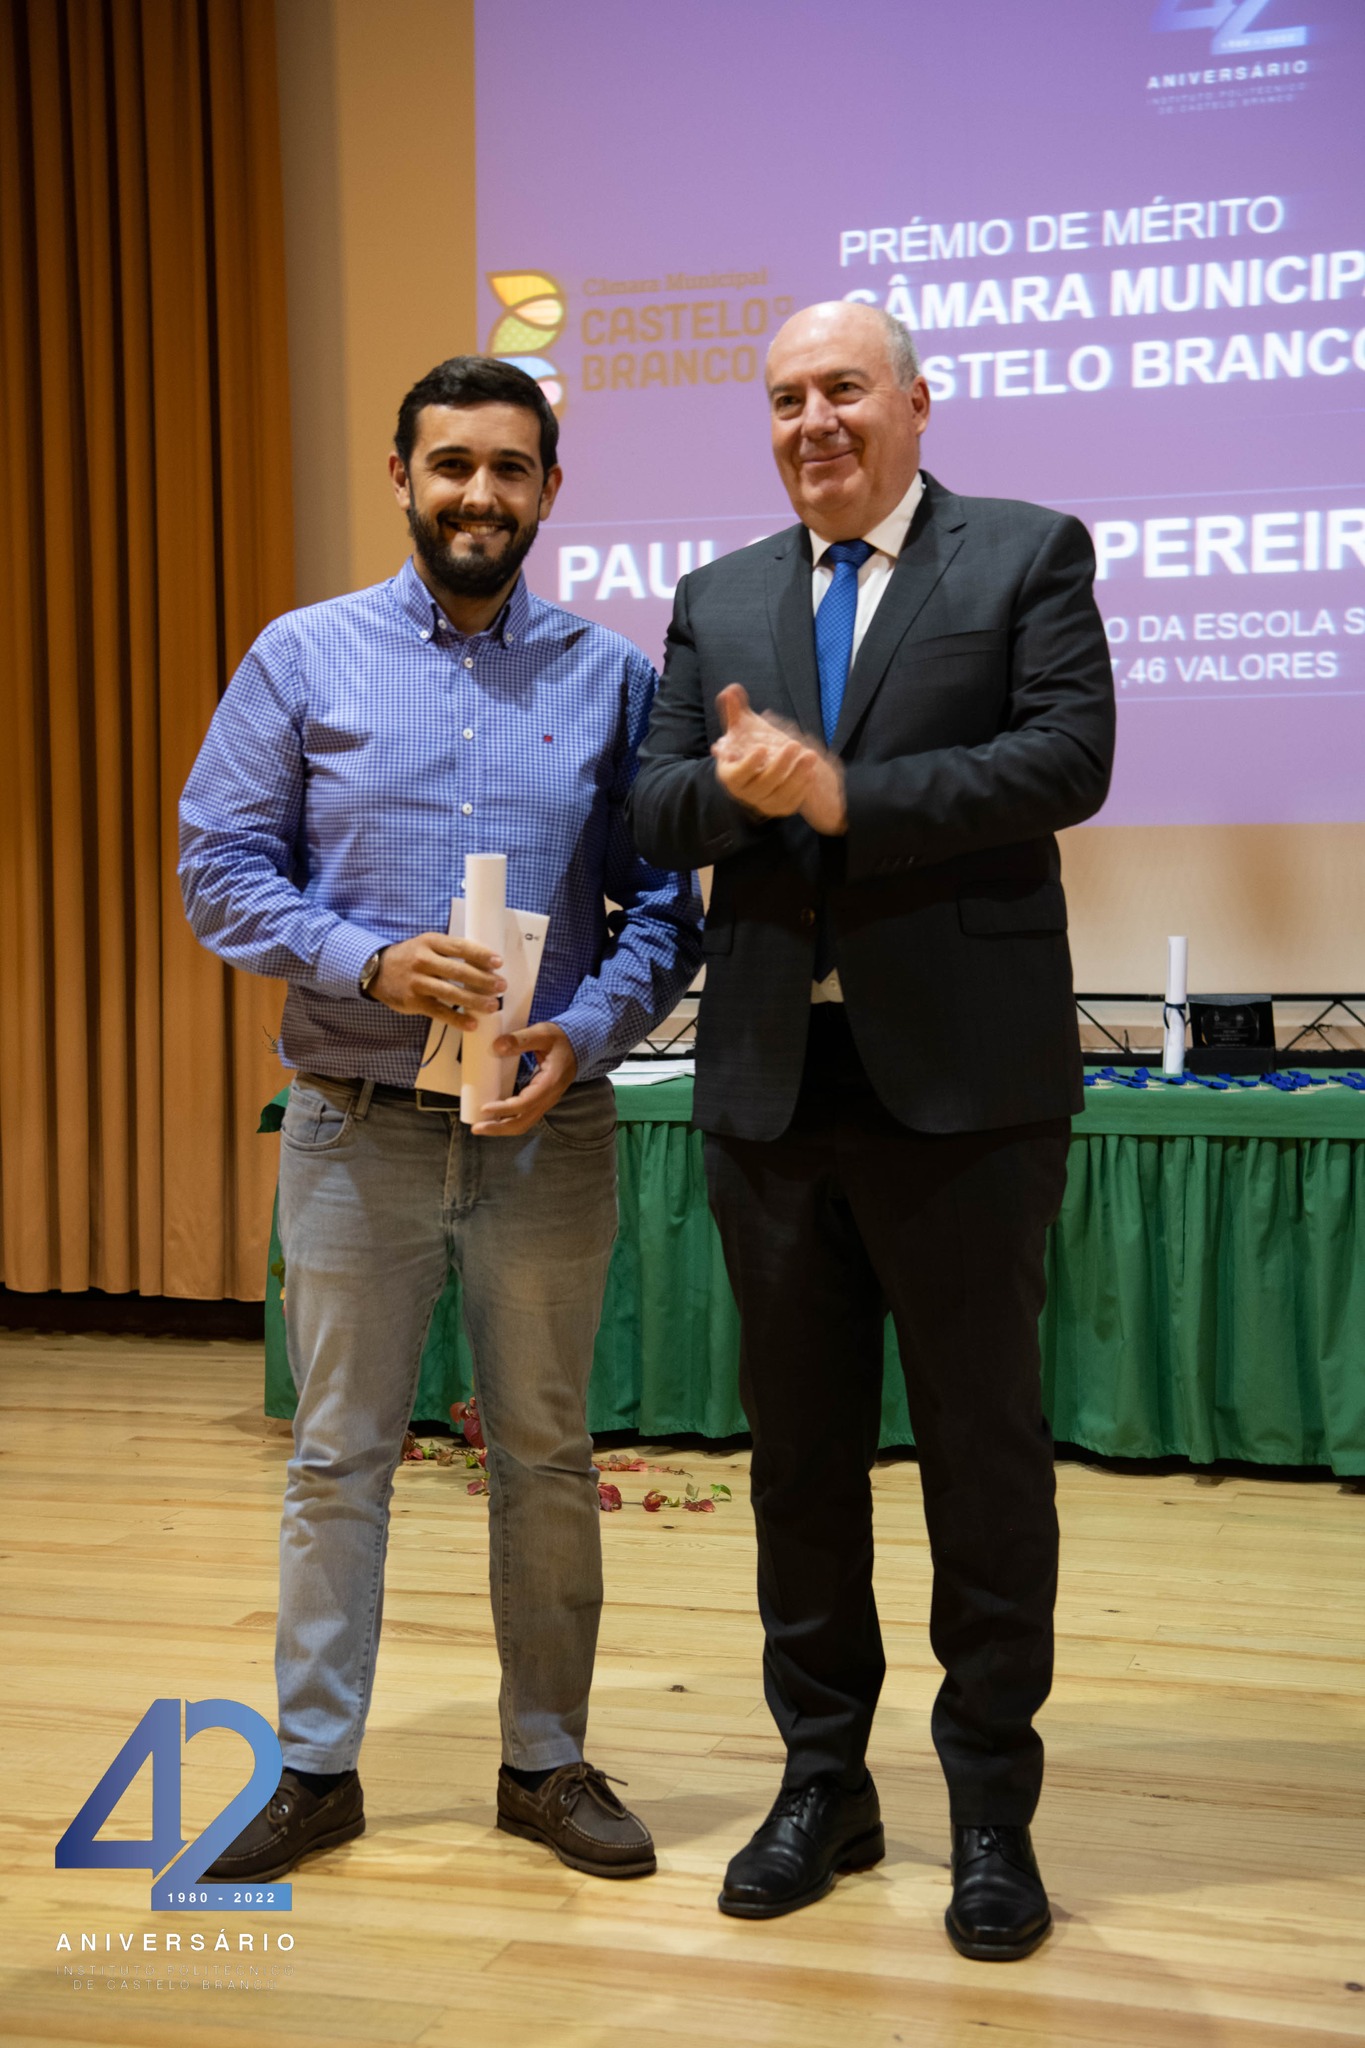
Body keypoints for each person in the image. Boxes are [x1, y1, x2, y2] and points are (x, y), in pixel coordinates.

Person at [628, 301, 1114, 1957]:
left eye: (842, 389)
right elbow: (654, 800)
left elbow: (1065, 757)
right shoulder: (720, 594)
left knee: (981, 1462)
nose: (812, 420)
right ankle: (820, 1782)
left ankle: (991, 1807)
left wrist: (839, 793)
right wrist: (743, 783)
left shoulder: (1026, 553)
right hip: (772, 1086)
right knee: (800, 1462)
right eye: (784, 399)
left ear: (915, 399)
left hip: (965, 1089)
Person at [179, 356, 701, 1883]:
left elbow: (664, 911)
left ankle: (544, 1762)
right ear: (401, 478)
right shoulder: (300, 657)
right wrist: (369, 959)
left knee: (542, 1451)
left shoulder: (613, 678)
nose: (480, 493)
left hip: (547, 1131)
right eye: (452, 464)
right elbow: (219, 868)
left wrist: (587, 1029)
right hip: (353, 1117)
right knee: (339, 1457)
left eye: (511, 469)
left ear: (549, 491)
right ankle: (316, 1768)